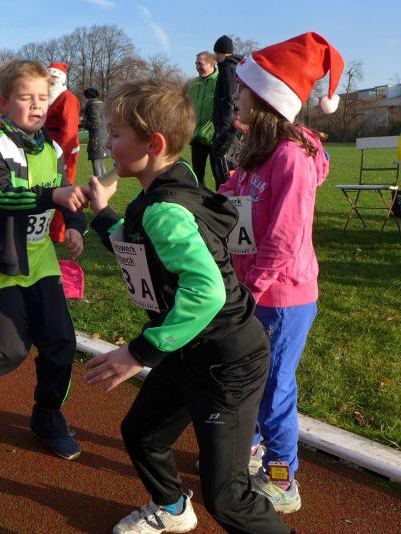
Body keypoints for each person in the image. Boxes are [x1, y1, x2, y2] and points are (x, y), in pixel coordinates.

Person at [83, 78, 290, 534]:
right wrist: (101, 214)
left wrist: (137, 353)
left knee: (227, 496)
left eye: (115, 134)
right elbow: (139, 249)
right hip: (188, 347)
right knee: (142, 433)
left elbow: (207, 291)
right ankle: (173, 508)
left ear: (153, 144)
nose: (107, 144)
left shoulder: (165, 210)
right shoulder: (170, 184)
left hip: (227, 361)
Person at [219, 32, 343, 515]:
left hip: (281, 298)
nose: (236, 96)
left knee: (273, 390)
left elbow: (284, 240)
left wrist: (248, 290)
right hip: (254, 292)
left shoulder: (290, 156)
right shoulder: (258, 149)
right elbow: (231, 195)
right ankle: (252, 448)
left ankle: (282, 477)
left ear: (266, 99)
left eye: (243, 90)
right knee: (252, 380)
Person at [0, 59, 88, 461]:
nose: (37, 104)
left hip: (40, 261)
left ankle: (48, 416)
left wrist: (75, 224)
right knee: (6, 356)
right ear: (3, 104)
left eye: (43, 97)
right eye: (26, 97)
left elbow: (66, 191)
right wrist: (51, 197)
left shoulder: (53, 149)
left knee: (61, 343)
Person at [44, 62, 81, 243]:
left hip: (63, 150)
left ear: (61, 79)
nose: (51, 82)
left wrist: (62, 158)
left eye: (54, 78)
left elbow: (69, 131)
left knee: (62, 188)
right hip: (50, 148)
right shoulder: (50, 98)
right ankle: (50, 227)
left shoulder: (68, 99)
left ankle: (58, 232)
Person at [210, 35, 242, 189]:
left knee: (222, 163)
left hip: (226, 127)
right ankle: (224, 193)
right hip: (226, 125)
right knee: (223, 164)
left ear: (220, 52)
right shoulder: (229, 68)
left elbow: (230, 99)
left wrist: (224, 129)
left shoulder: (229, 69)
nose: (215, 56)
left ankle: (225, 195)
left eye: (216, 53)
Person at [187, 51, 218, 187]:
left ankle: (221, 201)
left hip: (216, 138)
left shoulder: (221, 81)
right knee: (197, 178)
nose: (197, 67)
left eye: (200, 64)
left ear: (211, 63)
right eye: (196, 64)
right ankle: (200, 200)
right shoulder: (193, 84)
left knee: (220, 177)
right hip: (197, 138)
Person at [81, 87, 109, 177]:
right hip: (104, 137)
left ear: (87, 97)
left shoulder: (93, 107)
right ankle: (104, 183)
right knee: (101, 164)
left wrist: (82, 123)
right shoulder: (102, 105)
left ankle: (99, 184)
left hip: (97, 139)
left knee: (96, 163)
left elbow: (95, 124)